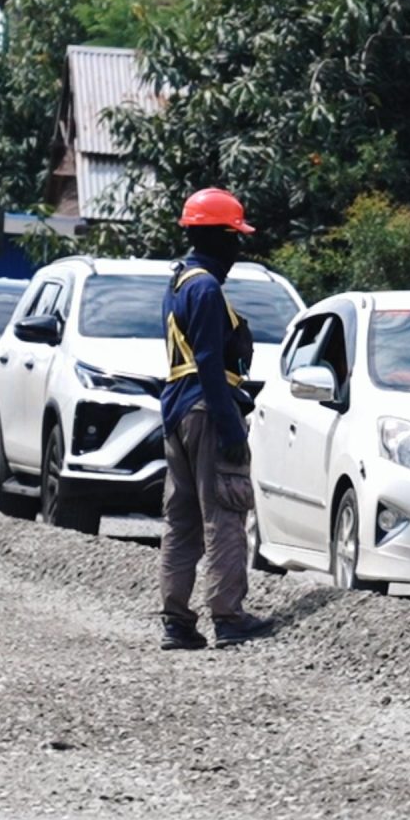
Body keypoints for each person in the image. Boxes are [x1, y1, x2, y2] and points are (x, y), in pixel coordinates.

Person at [157, 188, 273, 651]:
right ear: (220, 237)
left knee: (181, 520)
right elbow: (207, 360)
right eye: (236, 237)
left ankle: (177, 622)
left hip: (179, 410)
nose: (239, 249)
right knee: (224, 512)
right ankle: (229, 616)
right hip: (207, 409)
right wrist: (230, 428)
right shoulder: (205, 287)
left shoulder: (180, 282)